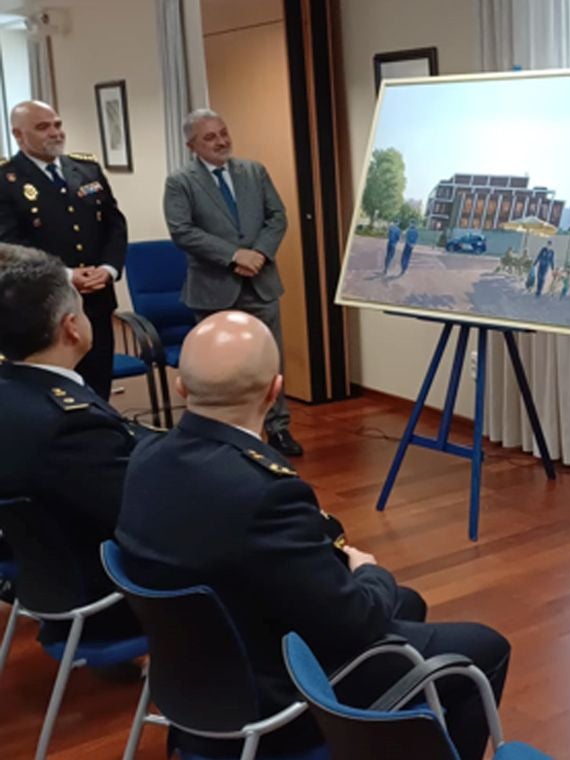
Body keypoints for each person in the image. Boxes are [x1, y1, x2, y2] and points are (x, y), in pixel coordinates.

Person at [116, 312, 511, 760]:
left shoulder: (144, 458)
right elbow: (356, 621)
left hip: (192, 682)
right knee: (485, 647)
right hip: (276, 700)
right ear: (275, 390)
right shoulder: (264, 491)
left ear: (180, 388)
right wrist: (368, 571)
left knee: (408, 603)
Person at [0, 244, 147, 648]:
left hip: (38, 578)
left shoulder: (17, 393)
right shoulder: (70, 423)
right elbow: (140, 516)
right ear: (72, 327)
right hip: (105, 599)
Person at [163, 108, 303, 457]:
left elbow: (277, 216)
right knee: (217, 364)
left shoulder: (253, 171)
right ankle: (219, 434)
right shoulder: (181, 182)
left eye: (223, 132)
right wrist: (233, 255)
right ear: (192, 144)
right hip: (213, 288)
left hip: (261, 283)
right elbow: (182, 231)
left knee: (269, 359)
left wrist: (258, 253)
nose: (221, 141)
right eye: (210, 137)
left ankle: (278, 428)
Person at [0, 101, 127, 398]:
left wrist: (107, 269)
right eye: (43, 127)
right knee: (54, 391)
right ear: (19, 135)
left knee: (98, 383)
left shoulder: (86, 168)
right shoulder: (6, 180)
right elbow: (10, 243)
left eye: (57, 124)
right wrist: (67, 275)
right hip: (44, 303)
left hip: (96, 299)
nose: (55, 133)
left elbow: (114, 225)